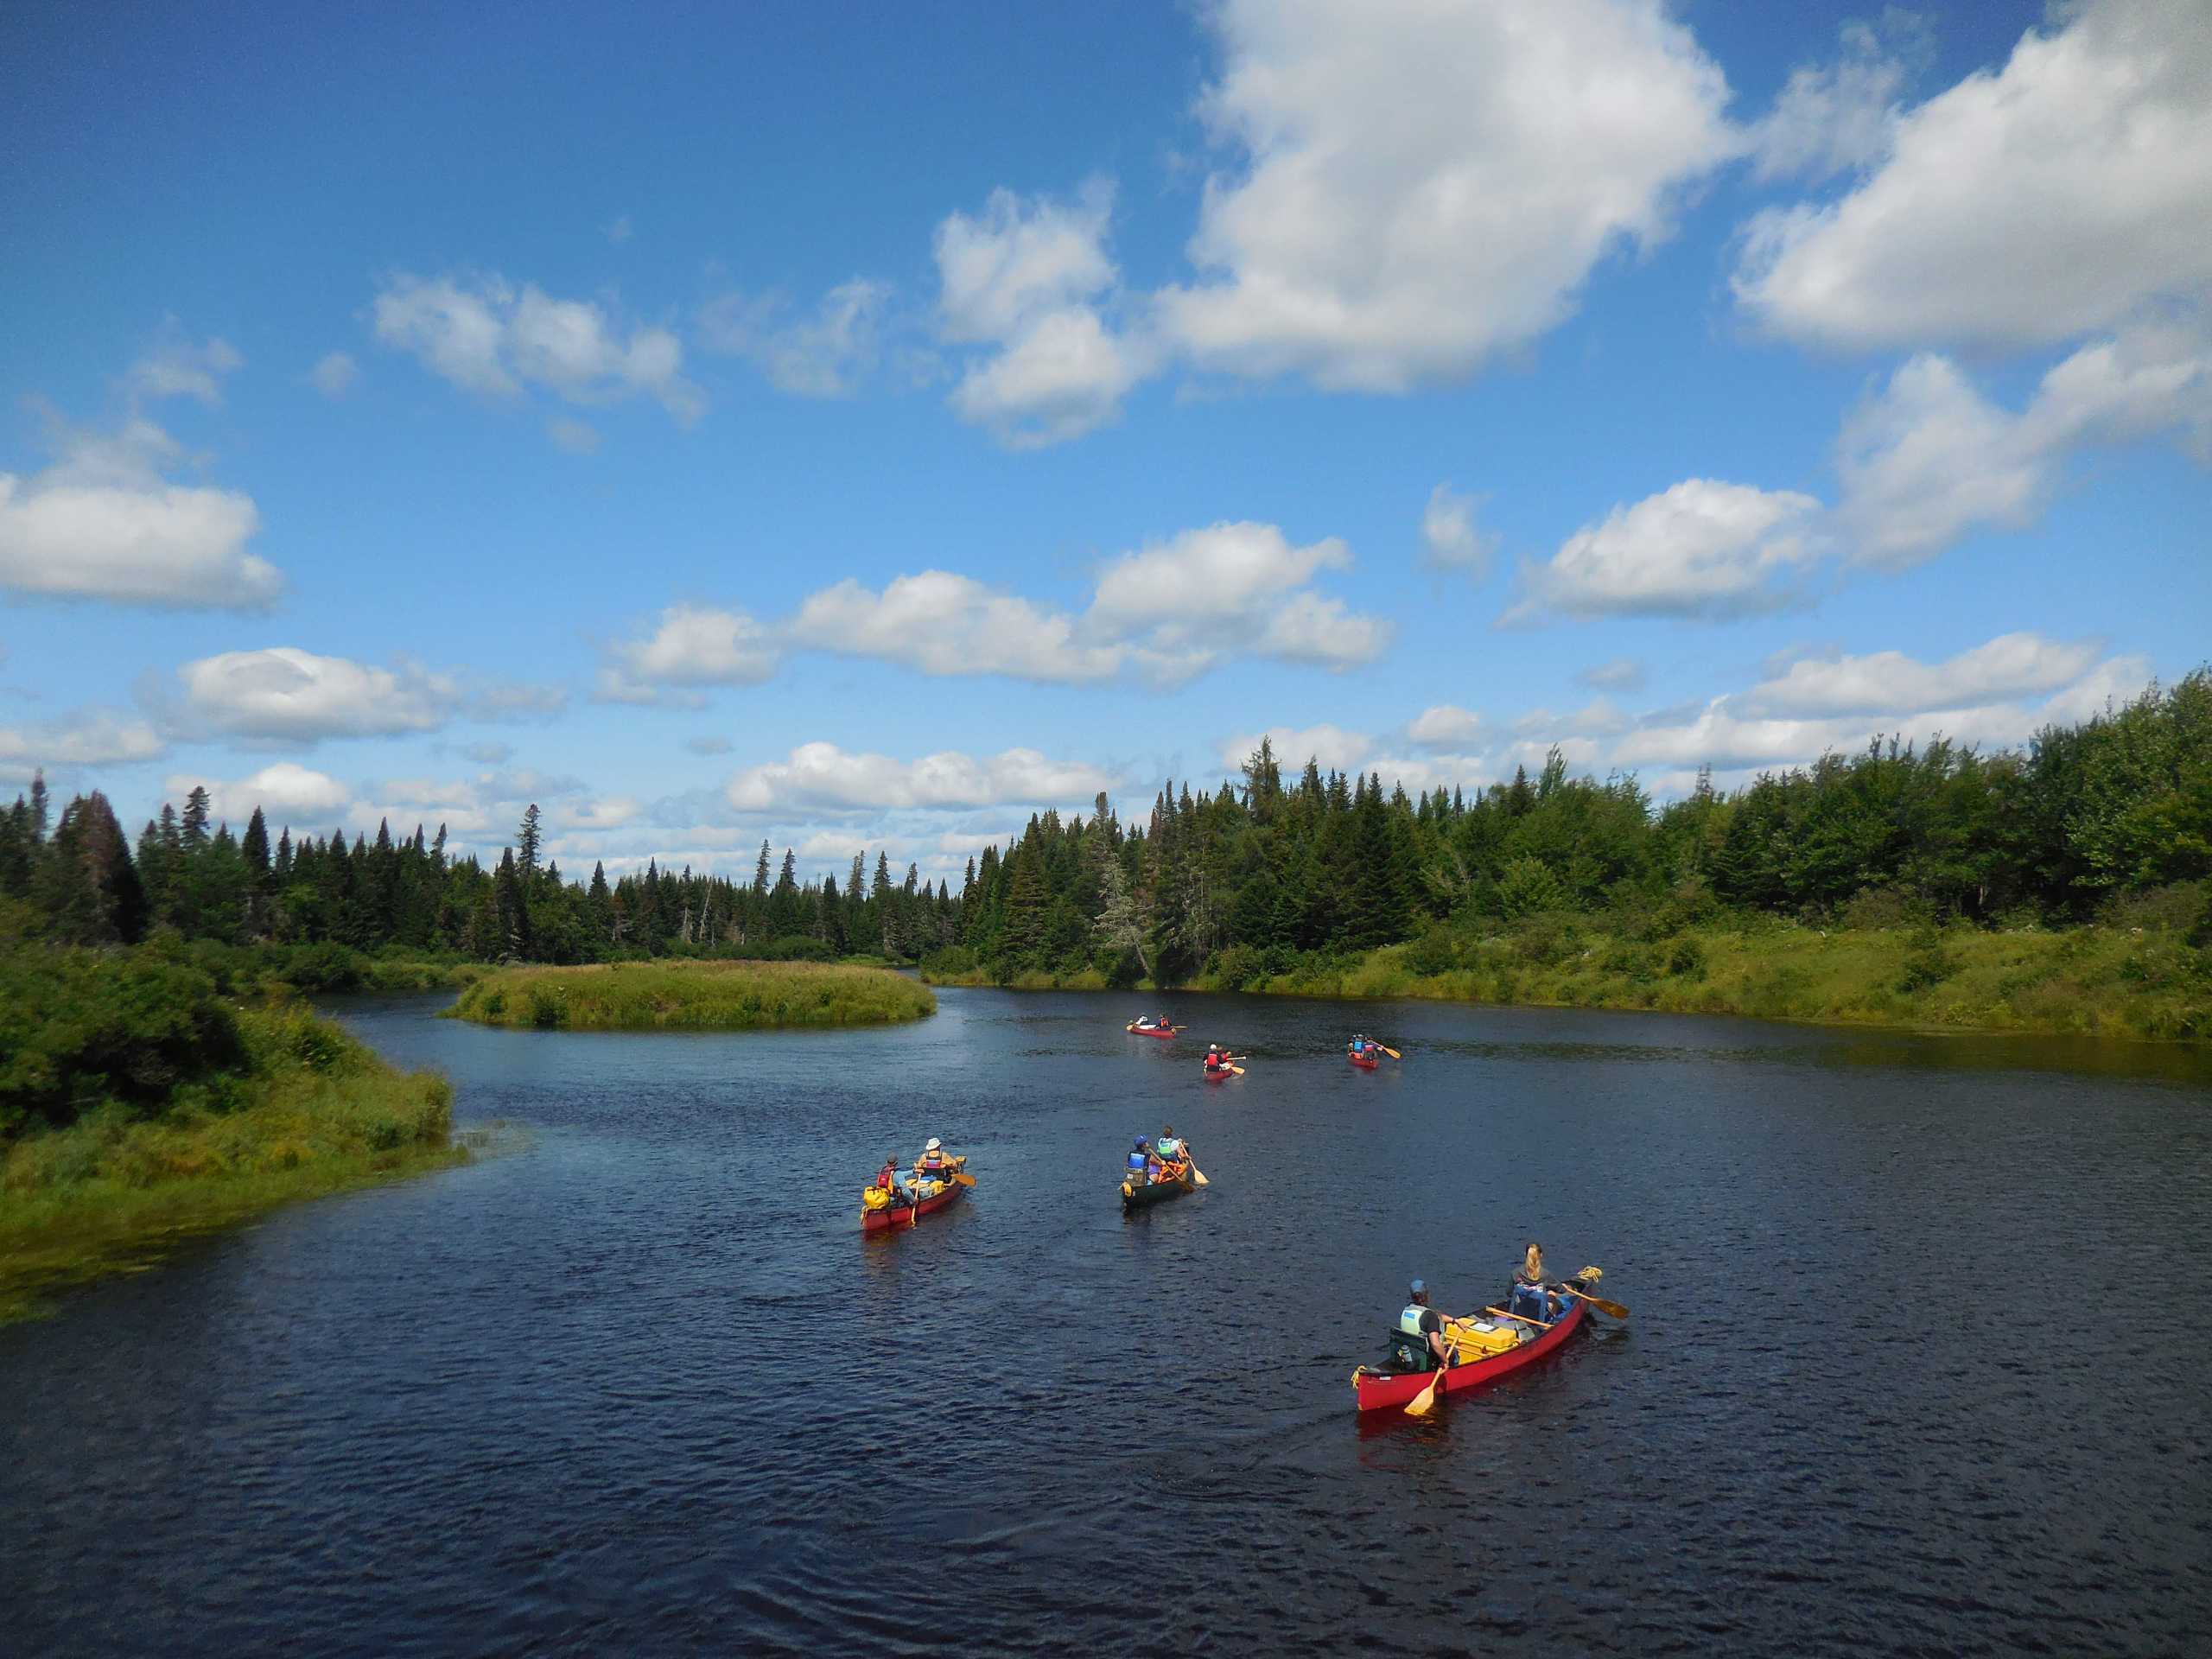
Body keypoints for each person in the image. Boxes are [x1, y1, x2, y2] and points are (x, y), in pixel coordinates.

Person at [1397, 1280, 1453, 1371]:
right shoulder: (1430, 1316)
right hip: (1426, 1360)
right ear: (1427, 1295)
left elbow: (1437, 1317)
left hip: (1410, 1354)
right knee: (1453, 1352)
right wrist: (1445, 1361)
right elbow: (1435, 1344)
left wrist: (1454, 1320)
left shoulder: (1407, 1310)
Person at [1510, 1241, 1561, 1322]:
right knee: (1552, 1294)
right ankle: (1550, 1323)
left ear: (1525, 1254)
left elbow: (1509, 1293)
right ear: (1541, 1255)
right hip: (1537, 1315)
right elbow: (1560, 1290)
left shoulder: (1515, 1272)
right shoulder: (1546, 1274)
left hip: (1520, 1312)